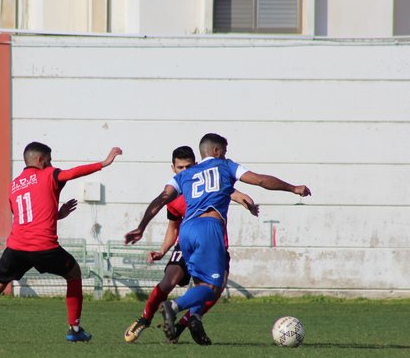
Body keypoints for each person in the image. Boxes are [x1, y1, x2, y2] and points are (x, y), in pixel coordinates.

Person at [125, 133, 310, 343]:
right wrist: (293, 188)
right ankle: (173, 306)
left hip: (187, 231)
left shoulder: (184, 176)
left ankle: (190, 320)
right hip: (209, 229)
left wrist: (141, 227)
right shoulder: (225, 166)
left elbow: (161, 198)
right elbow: (260, 180)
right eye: (224, 151)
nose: (225, 155)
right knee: (211, 289)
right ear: (216, 150)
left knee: (200, 285)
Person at [0, 142, 123, 344]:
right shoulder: (49, 174)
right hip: (44, 247)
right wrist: (103, 163)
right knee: (74, 273)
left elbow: (26, 216)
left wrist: (57, 215)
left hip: (16, 248)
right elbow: (72, 173)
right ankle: (74, 328)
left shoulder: (14, 185)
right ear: (40, 160)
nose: (51, 164)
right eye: (49, 160)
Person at [123, 145, 259, 345]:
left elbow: (234, 192)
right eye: (180, 168)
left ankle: (186, 322)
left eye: (188, 166)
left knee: (214, 289)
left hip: (215, 244)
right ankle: (144, 319)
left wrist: (246, 201)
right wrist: (162, 250)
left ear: (196, 164)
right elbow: (173, 227)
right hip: (186, 245)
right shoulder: (174, 195)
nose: (185, 171)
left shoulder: (208, 181)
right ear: (173, 168)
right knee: (169, 282)